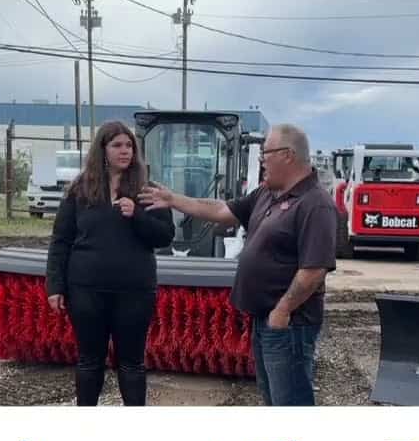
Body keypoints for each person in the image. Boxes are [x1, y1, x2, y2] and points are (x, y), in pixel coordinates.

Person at [139, 123, 336, 406]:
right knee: (273, 399)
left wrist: (282, 310)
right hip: (265, 320)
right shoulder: (267, 193)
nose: (261, 161)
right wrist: (172, 200)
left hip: (289, 325)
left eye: (265, 154)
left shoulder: (315, 204)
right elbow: (221, 210)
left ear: (288, 155)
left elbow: (314, 270)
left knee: (290, 403)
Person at [46, 120, 175, 406]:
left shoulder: (148, 191)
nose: (125, 151)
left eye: (129, 145)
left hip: (134, 292)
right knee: (89, 361)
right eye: (117, 145)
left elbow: (165, 236)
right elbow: (61, 240)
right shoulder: (80, 189)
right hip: (86, 291)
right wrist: (55, 286)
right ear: (102, 149)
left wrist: (137, 215)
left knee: (131, 363)